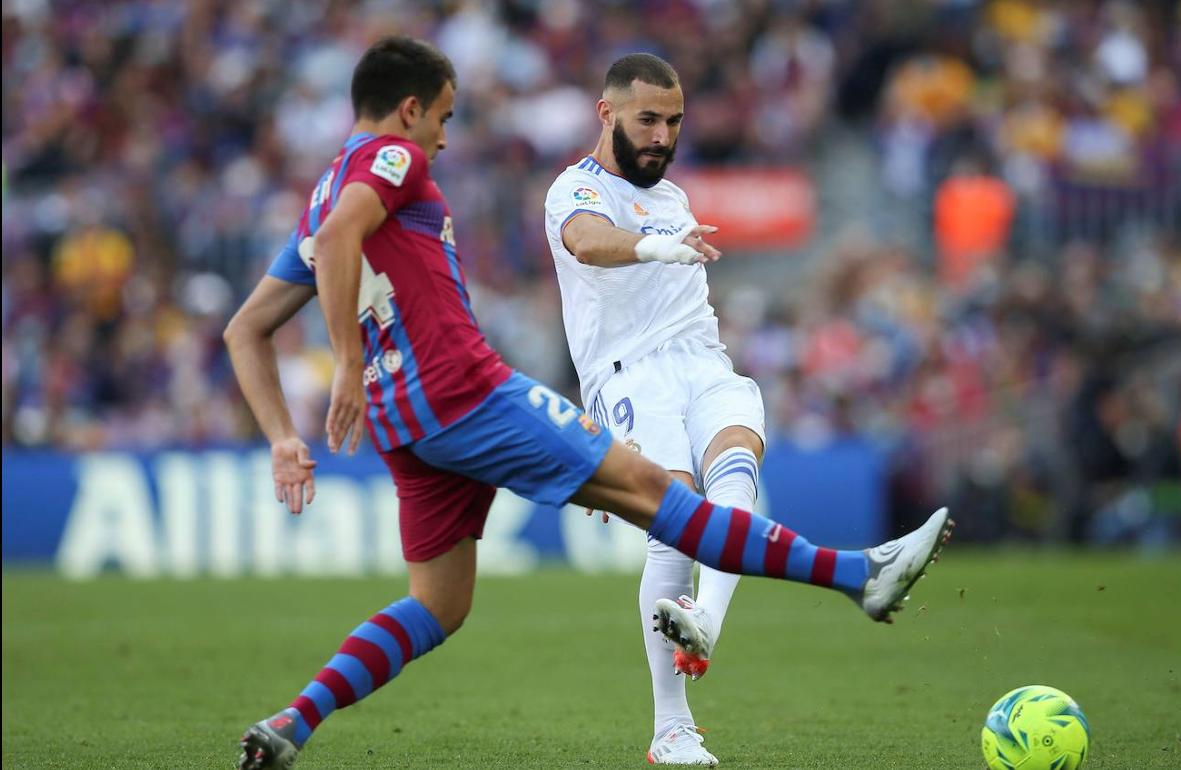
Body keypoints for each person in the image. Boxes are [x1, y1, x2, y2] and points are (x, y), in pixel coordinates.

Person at [223, 37, 953, 770]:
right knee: (662, 497)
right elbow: (350, 231)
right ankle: (860, 575)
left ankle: (295, 720)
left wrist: (283, 434)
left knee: (439, 604)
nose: (444, 137)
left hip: (404, 425)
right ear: (409, 110)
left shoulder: (318, 195)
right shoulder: (394, 158)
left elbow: (246, 328)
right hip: (465, 391)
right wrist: (345, 364)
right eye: (442, 117)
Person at [542, 53, 759, 766]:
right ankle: (672, 729)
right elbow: (587, 242)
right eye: (648, 120)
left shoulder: (673, 199)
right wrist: (654, 247)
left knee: (739, 451)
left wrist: (667, 236)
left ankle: (707, 619)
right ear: (606, 115)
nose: (663, 135)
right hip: (627, 374)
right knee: (677, 515)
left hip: (703, 360)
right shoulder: (574, 190)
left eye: (673, 121)